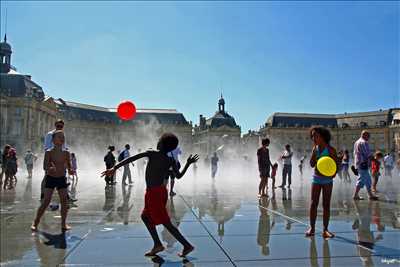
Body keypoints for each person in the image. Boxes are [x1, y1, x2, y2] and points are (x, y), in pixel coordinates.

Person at [101, 133, 198, 257]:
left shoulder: (152, 153)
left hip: (154, 193)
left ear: (161, 144)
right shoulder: (170, 160)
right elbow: (178, 176)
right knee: (146, 217)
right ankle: (157, 244)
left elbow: (132, 158)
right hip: (159, 191)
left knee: (165, 222)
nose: (157, 141)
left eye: (159, 140)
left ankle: (187, 245)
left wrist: (114, 168)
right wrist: (188, 164)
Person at [31, 130, 75, 232]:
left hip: (61, 178)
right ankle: (35, 222)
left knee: (64, 201)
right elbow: (44, 166)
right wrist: (49, 168)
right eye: (59, 136)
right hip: (51, 178)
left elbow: (69, 166)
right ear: (53, 140)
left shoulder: (66, 153)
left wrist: (71, 170)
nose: (62, 138)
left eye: (63, 136)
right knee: (46, 201)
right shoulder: (49, 152)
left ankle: (63, 224)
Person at [305, 126, 338, 239]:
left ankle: (325, 230)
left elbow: (336, 164)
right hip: (316, 178)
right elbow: (312, 164)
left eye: (316, 136)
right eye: (312, 136)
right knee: (313, 203)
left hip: (327, 180)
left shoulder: (330, 150)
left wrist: (334, 173)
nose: (313, 138)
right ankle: (312, 228)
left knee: (326, 205)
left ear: (323, 137)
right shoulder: (315, 149)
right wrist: (314, 155)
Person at [352, 131, 379, 201]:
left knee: (368, 180)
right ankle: (355, 195)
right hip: (363, 163)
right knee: (361, 180)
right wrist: (375, 160)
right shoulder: (363, 142)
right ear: (364, 135)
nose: (369, 138)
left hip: (359, 163)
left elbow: (354, 153)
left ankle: (370, 195)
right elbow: (367, 154)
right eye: (368, 136)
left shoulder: (356, 142)